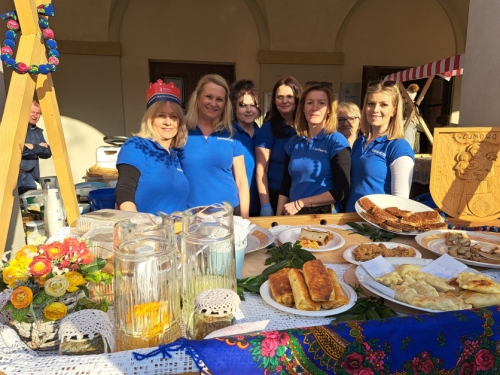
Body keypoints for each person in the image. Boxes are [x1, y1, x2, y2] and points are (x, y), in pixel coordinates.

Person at [115, 79, 189, 214]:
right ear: (150, 119)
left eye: (174, 117)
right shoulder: (136, 146)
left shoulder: (174, 154)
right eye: (161, 116)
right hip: (148, 231)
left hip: (178, 231)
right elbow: (124, 190)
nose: (168, 122)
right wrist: (136, 222)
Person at [180, 74, 249, 217]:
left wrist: (245, 218)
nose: (213, 103)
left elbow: (242, 181)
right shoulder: (180, 131)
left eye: (219, 99)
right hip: (191, 214)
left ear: (225, 104)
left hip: (228, 213)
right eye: (209, 97)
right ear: (198, 97)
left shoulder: (231, 134)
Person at [276, 83, 351, 216]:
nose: (315, 108)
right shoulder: (294, 142)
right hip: (293, 214)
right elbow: (286, 185)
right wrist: (277, 220)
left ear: (328, 109)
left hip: (323, 216)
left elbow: (342, 190)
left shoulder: (336, 141)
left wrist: (301, 203)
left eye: (321, 103)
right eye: (310, 103)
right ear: (303, 108)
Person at [345, 81, 415, 212]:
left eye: (384, 104)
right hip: (349, 219)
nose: (375, 110)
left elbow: (401, 201)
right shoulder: (359, 142)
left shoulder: (398, 147)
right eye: (371, 104)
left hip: (374, 227)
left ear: (394, 110)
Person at [255, 76, 302, 216]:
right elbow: (261, 170)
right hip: (275, 194)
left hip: (302, 194)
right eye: (279, 97)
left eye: (289, 96)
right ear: (274, 101)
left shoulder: (306, 127)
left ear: (298, 98)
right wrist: (265, 204)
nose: (284, 101)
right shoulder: (268, 128)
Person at [230, 79, 261, 217]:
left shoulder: (264, 134)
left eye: (253, 105)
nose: (249, 110)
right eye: (242, 105)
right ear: (234, 107)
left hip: (262, 205)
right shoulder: (228, 135)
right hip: (237, 208)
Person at [17, 101, 52, 195]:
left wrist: (31, 146)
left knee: (31, 204)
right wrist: (38, 148)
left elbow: (47, 153)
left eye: (38, 113)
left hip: (29, 175)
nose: (35, 115)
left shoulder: (38, 132)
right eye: (32, 112)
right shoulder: (17, 129)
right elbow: (19, 150)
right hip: (14, 176)